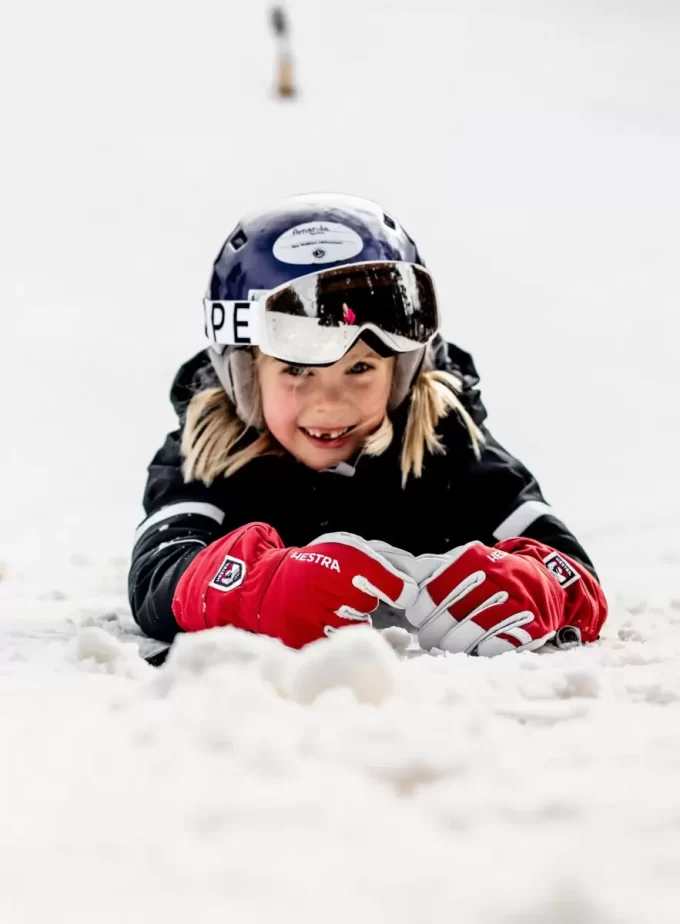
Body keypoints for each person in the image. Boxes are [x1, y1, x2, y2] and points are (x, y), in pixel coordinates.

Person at [128, 193, 607, 657]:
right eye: (297, 370)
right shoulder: (211, 448)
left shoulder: (442, 437)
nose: (329, 403)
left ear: (401, 373)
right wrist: (257, 587)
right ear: (245, 376)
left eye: (360, 368)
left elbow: (571, 567)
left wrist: (539, 585)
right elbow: (158, 572)